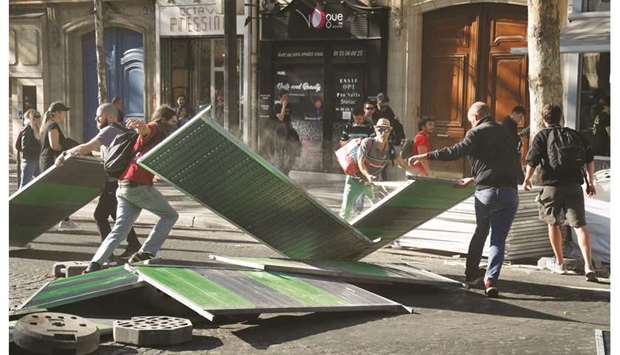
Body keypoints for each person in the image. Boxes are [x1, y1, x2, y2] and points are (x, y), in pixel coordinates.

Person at [410, 102, 520, 297]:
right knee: (498, 240)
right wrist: (475, 177)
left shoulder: (476, 132)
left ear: (476, 117)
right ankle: (490, 280)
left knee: (481, 232)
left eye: (470, 121)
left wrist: (426, 155)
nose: (470, 125)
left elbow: (455, 151)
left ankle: (470, 276)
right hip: (509, 192)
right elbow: (509, 165)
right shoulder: (507, 133)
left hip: (486, 192)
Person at [84, 105, 180, 273]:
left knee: (120, 230)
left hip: (123, 185)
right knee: (170, 215)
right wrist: (140, 126)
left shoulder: (156, 133)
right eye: (172, 121)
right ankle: (146, 252)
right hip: (137, 185)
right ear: (163, 119)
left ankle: (95, 264)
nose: (175, 125)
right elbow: (146, 131)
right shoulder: (156, 127)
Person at [523, 104, 598, 282]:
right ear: (561, 117)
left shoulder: (542, 135)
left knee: (553, 223)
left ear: (543, 119)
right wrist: (590, 181)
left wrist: (527, 179)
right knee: (580, 226)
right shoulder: (575, 134)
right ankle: (588, 265)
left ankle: (560, 263)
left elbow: (532, 160)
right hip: (574, 186)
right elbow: (589, 159)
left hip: (552, 187)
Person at [58, 103, 142, 257]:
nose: (96, 118)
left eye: (99, 116)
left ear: (110, 117)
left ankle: (107, 252)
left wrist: (64, 155)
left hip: (113, 183)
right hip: (122, 181)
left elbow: (87, 147)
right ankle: (134, 244)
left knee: (100, 215)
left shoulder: (109, 130)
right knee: (118, 215)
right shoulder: (124, 130)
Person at [339, 118, 417, 221]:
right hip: (355, 181)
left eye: (386, 130)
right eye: (380, 129)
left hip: (372, 184)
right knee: (346, 211)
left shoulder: (390, 149)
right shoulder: (367, 143)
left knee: (382, 208)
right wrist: (368, 175)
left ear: (390, 131)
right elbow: (360, 163)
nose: (383, 133)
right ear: (375, 130)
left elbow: (402, 164)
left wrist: (417, 174)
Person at [39, 101, 80, 230]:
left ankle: (64, 219)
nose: (64, 116)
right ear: (56, 113)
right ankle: (62, 220)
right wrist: (69, 148)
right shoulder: (53, 126)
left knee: (56, 192)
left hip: (46, 160)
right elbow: (55, 146)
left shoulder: (47, 124)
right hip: (51, 161)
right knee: (60, 192)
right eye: (63, 113)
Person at [340, 106, 375, 215]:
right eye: (356, 118)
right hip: (352, 160)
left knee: (363, 182)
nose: (358, 120)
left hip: (364, 160)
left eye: (360, 118)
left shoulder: (369, 128)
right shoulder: (348, 127)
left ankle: (358, 209)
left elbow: (373, 142)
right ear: (353, 117)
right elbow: (342, 142)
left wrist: (364, 142)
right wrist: (353, 142)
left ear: (363, 116)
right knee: (352, 183)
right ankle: (352, 208)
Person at [272, 91, 301, 175]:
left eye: (287, 97)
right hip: (280, 132)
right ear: (280, 98)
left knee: (293, 153)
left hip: (289, 131)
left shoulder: (290, 106)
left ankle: (286, 171)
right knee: (280, 153)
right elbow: (281, 118)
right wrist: (283, 106)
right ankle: (281, 172)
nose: (286, 99)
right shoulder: (277, 106)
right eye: (284, 97)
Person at [15, 109, 42, 188]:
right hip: (29, 161)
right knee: (24, 185)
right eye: (35, 116)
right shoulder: (27, 129)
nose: (38, 118)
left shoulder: (35, 129)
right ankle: (18, 200)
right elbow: (25, 147)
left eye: (39, 116)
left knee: (41, 180)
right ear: (30, 119)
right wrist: (39, 150)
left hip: (36, 160)